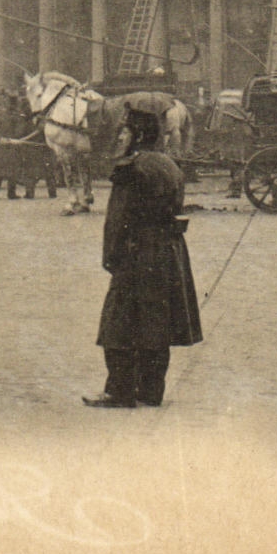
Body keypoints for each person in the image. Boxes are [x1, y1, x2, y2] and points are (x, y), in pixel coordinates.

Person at [83, 107, 203, 409]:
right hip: (167, 253)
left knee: (118, 322)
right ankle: (151, 390)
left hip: (136, 253)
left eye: (124, 132)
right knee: (156, 322)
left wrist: (112, 258)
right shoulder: (169, 164)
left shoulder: (130, 168)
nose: (119, 138)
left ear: (136, 135)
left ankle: (119, 390)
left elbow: (117, 219)